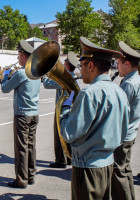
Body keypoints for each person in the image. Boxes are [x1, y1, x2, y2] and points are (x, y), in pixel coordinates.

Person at [59, 37, 130, 200]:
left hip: (87, 168)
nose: (79, 70)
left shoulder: (89, 93)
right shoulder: (120, 92)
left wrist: (65, 109)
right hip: (107, 164)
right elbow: (123, 132)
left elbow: (69, 133)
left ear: (90, 65)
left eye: (81, 65)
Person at [1, 40, 41, 188]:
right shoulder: (36, 71)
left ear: (24, 56)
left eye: (18, 55)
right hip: (34, 113)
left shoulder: (20, 73)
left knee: (21, 148)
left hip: (22, 114)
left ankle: (21, 179)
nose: (17, 58)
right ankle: (31, 175)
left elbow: (5, 89)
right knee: (31, 145)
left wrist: (5, 76)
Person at [111, 41, 140, 200]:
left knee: (119, 172)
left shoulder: (128, 83)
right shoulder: (136, 79)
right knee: (125, 169)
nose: (117, 66)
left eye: (118, 63)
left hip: (123, 134)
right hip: (131, 131)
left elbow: (118, 110)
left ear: (127, 64)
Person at [43, 52, 79, 168]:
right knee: (67, 135)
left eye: (65, 62)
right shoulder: (73, 77)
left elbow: (47, 84)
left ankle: (61, 160)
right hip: (70, 109)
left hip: (61, 110)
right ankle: (68, 159)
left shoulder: (64, 78)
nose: (63, 64)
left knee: (59, 135)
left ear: (67, 65)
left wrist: (44, 73)